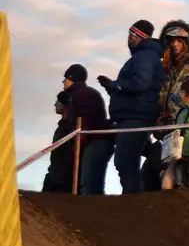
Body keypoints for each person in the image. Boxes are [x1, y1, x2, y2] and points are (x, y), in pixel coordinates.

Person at [97, 20, 165, 194]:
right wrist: (111, 87)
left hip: (137, 115)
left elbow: (140, 84)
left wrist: (115, 86)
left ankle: (133, 198)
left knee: (125, 159)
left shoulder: (146, 56)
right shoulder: (142, 56)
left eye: (132, 34)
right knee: (128, 157)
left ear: (138, 36)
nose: (128, 38)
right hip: (132, 114)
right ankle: (151, 154)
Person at [62, 64, 114, 195]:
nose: (63, 82)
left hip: (95, 141)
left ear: (72, 78)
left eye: (65, 78)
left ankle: (96, 213)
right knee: (91, 183)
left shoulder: (82, 94)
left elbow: (87, 120)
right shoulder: (80, 94)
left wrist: (79, 141)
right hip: (94, 141)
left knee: (90, 185)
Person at [41, 91, 75, 193]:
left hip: (63, 180)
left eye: (58, 101)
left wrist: (59, 177)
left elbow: (68, 155)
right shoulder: (61, 127)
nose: (55, 104)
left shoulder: (70, 128)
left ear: (65, 104)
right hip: (53, 175)